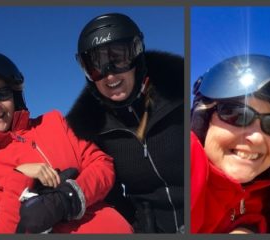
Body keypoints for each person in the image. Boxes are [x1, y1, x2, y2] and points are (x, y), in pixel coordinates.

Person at [0, 52, 132, 234]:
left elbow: (102, 164)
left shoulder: (55, 122)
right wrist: (19, 176)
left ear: (15, 97)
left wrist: (68, 198)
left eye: (2, 94)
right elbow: (3, 231)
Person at [65, 13, 185, 233]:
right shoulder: (93, 129)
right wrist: (134, 224)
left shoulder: (180, 96)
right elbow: (108, 194)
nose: (109, 76)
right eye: (95, 66)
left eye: (118, 59)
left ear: (137, 56)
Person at [190, 55, 270, 233]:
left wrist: (245, 228)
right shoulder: (188, 162)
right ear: (202, 120)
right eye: (237, 114)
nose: (257, 138)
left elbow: (250, 211)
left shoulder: (257, 188)